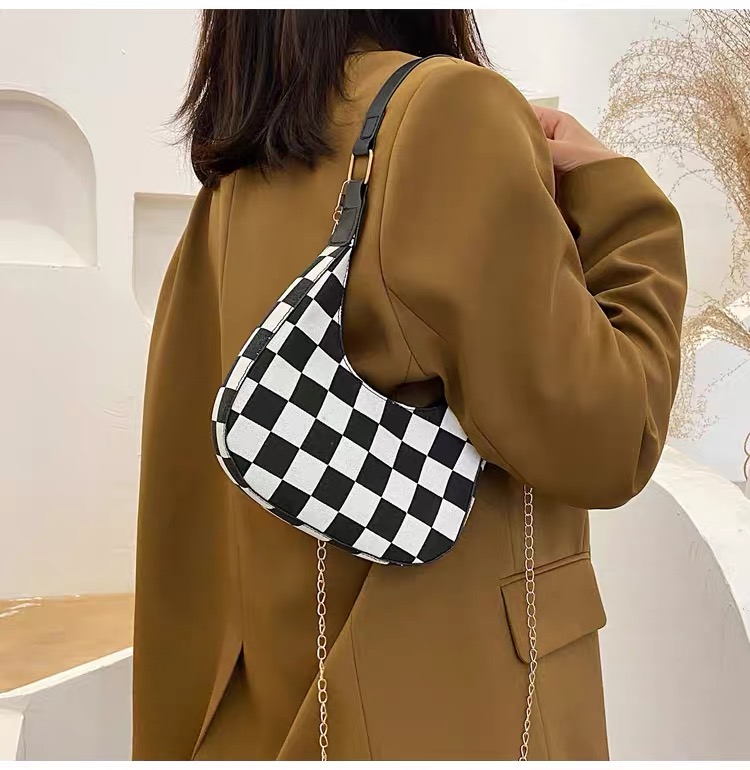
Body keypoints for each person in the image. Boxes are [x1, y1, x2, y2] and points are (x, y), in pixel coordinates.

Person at [132, 10, 687, 761]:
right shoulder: (447, 113)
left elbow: (187, 509)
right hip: (452, 715)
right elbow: (611, 438)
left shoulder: (235, 182)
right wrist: (620, 201)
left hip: (273, 721)